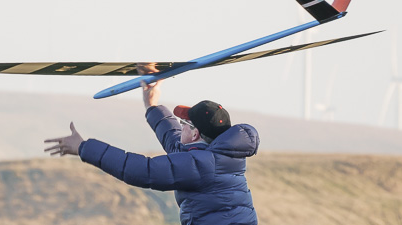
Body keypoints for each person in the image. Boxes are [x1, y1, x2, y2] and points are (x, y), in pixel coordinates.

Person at [44, 64, 260, 225]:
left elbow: (142, 171)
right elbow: (175, 141)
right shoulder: (221, 157)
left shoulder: (202, 164)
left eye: (185, 123)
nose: (180, 126)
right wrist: (152, 104)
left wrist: (84, 147)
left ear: (195, 134)